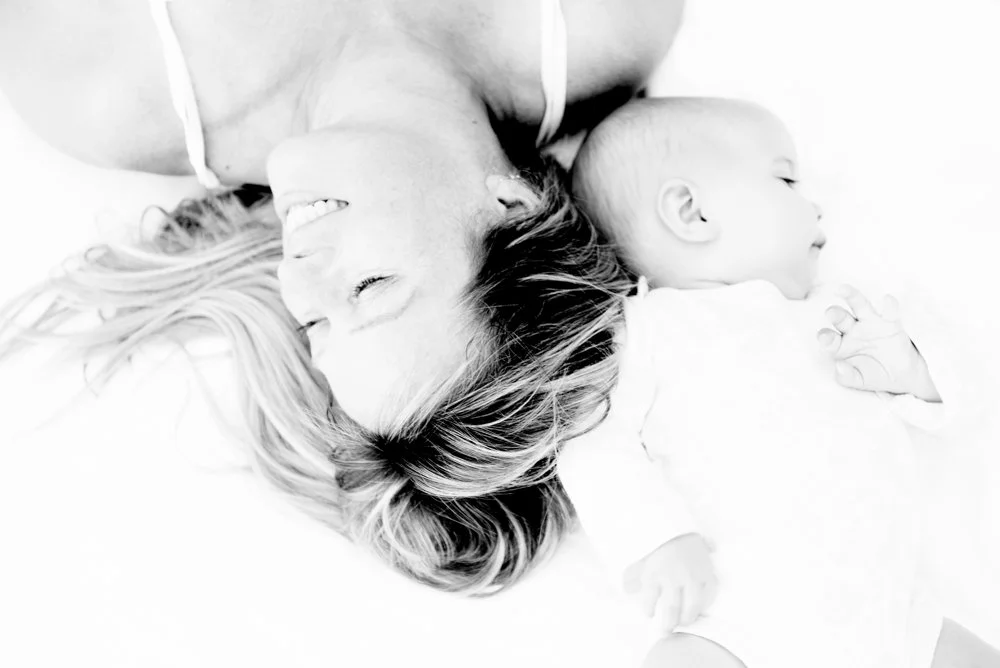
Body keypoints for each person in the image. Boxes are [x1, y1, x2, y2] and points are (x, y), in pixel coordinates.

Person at [0, 0, 687, 595]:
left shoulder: (106, 86)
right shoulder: (602, 23)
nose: (302, 274)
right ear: (510, 206)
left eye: (315, 322)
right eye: (370, 287)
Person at [560, 96, 998, 666]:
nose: (816, 205)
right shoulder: (647, 331)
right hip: (740, 618)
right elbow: (593, 440)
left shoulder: (840, 310)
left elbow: (963, 407)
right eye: (786, 179)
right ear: (692, 213)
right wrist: (653, 538)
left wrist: (913, 369)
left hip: (892, 620)